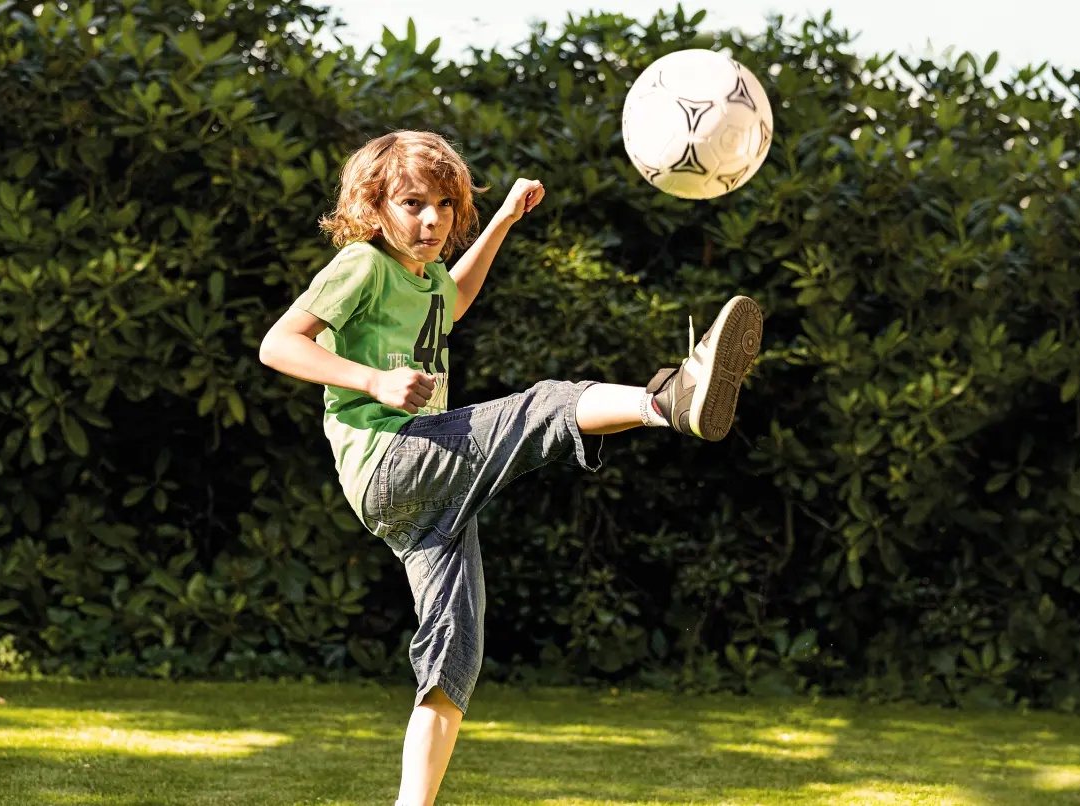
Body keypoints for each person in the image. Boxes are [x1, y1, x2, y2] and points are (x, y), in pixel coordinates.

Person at [258, 130, 762, 806]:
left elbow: (453, 304)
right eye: (412, 203)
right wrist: (373, 382)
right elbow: (278, 344)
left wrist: (497, 224)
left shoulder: (426, 272)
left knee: (453, 651)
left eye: (444, 205)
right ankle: (667, 399)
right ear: (374, 206)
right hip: (393, 456)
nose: (431, 219)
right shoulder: (362, 264)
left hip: (420, 493)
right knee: (544, 407)